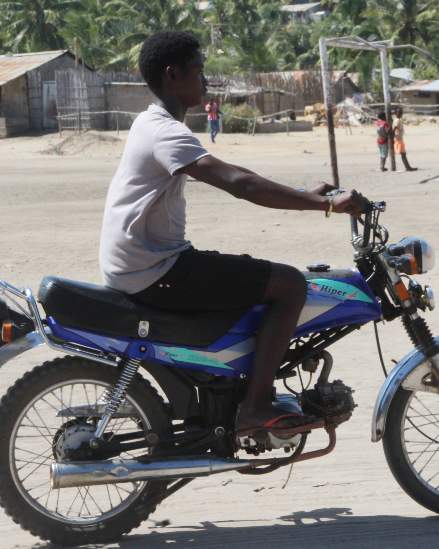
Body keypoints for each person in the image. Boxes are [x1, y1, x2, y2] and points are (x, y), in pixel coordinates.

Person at [99, 30, 367, 437]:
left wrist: (301, 193)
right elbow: (238, 183)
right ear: (172, 76)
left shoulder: (150, 122)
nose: (205, 81)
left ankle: (236, 389)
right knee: (291, 284)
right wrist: (325, 204)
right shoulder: (165, 133)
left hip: (141, 262)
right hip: (154, 270)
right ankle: (255, 408)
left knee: (249, 277)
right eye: (199, 72)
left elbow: (239, 175)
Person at [392, 107, 417, 171]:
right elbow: (393, 129)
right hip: (398, 139)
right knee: (403, 153)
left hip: (399, 138)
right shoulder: (397, 120)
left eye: (401, 112)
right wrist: (392, 138)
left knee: (403, 153)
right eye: (398, 112)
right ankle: (408, 167)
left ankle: (407, 167)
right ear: (395, 113)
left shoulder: (399, 119)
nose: (400, 113)